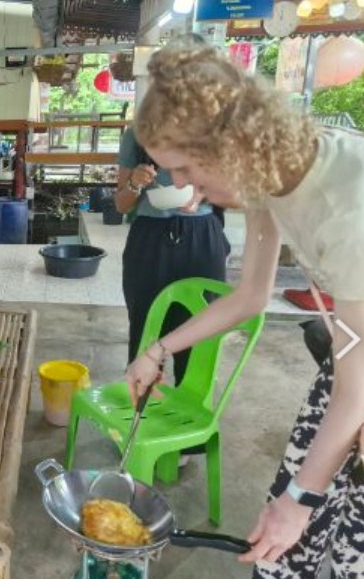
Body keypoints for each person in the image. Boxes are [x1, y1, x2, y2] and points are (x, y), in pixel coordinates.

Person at [126, 45, 364, 577]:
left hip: (357, 379)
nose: (183, 184)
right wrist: (158, 349)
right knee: (281, 555)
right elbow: (249, 296)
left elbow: (357, 393)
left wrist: (301, 498)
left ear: (230, 145)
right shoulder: (269, 177)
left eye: (185, 166)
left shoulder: (350, 208)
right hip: (350, 372)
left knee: (349, 546)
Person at [116, 125, 230, 385]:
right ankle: (142, 412)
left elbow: (234, 187)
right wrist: (134, 182)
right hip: (149, 241)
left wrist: (203, 191)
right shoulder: (138, 135)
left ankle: (188, 413)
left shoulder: (214, 131)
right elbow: (120, 204)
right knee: (146, 331)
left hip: (203, 238)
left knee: (198, 334)